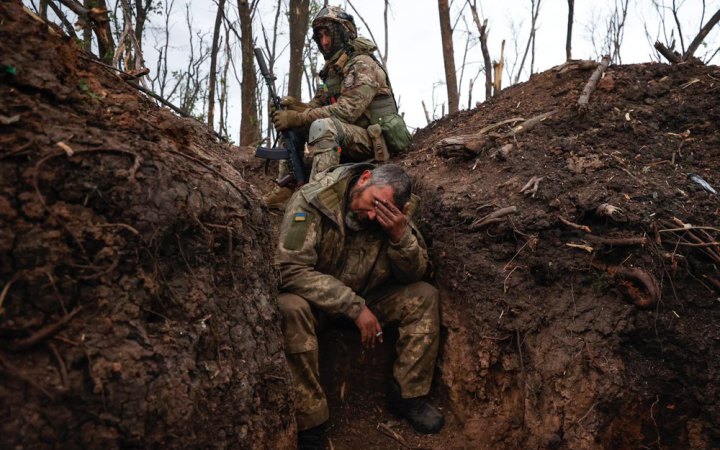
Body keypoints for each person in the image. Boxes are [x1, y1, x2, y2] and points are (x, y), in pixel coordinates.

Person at [275, 163, 444, 449]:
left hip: (370, 297)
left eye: (382, 212)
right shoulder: (314, 200)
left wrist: (399, 238)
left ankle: (408, 395)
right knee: (289, 307)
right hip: (317, 303)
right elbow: (289, 269)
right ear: (365, 178)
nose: (371, 216)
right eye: (372, 204)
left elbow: (414, 275)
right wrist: (353, 307)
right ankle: (311, 422)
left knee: (423, 295)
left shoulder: (396, 215)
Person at [265, 5, 409, 209]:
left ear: (344, 33)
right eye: (320, 36)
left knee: (324, 125)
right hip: (347, 135)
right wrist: (292, 108)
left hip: (373, 140)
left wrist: (298, 117)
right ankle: (287, 189)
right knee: (297, 125)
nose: (324, 42)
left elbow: (346, 111)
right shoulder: (332, 70)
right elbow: (316, 106)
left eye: (329, 34)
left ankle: (317, 197)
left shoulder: (362, 64)